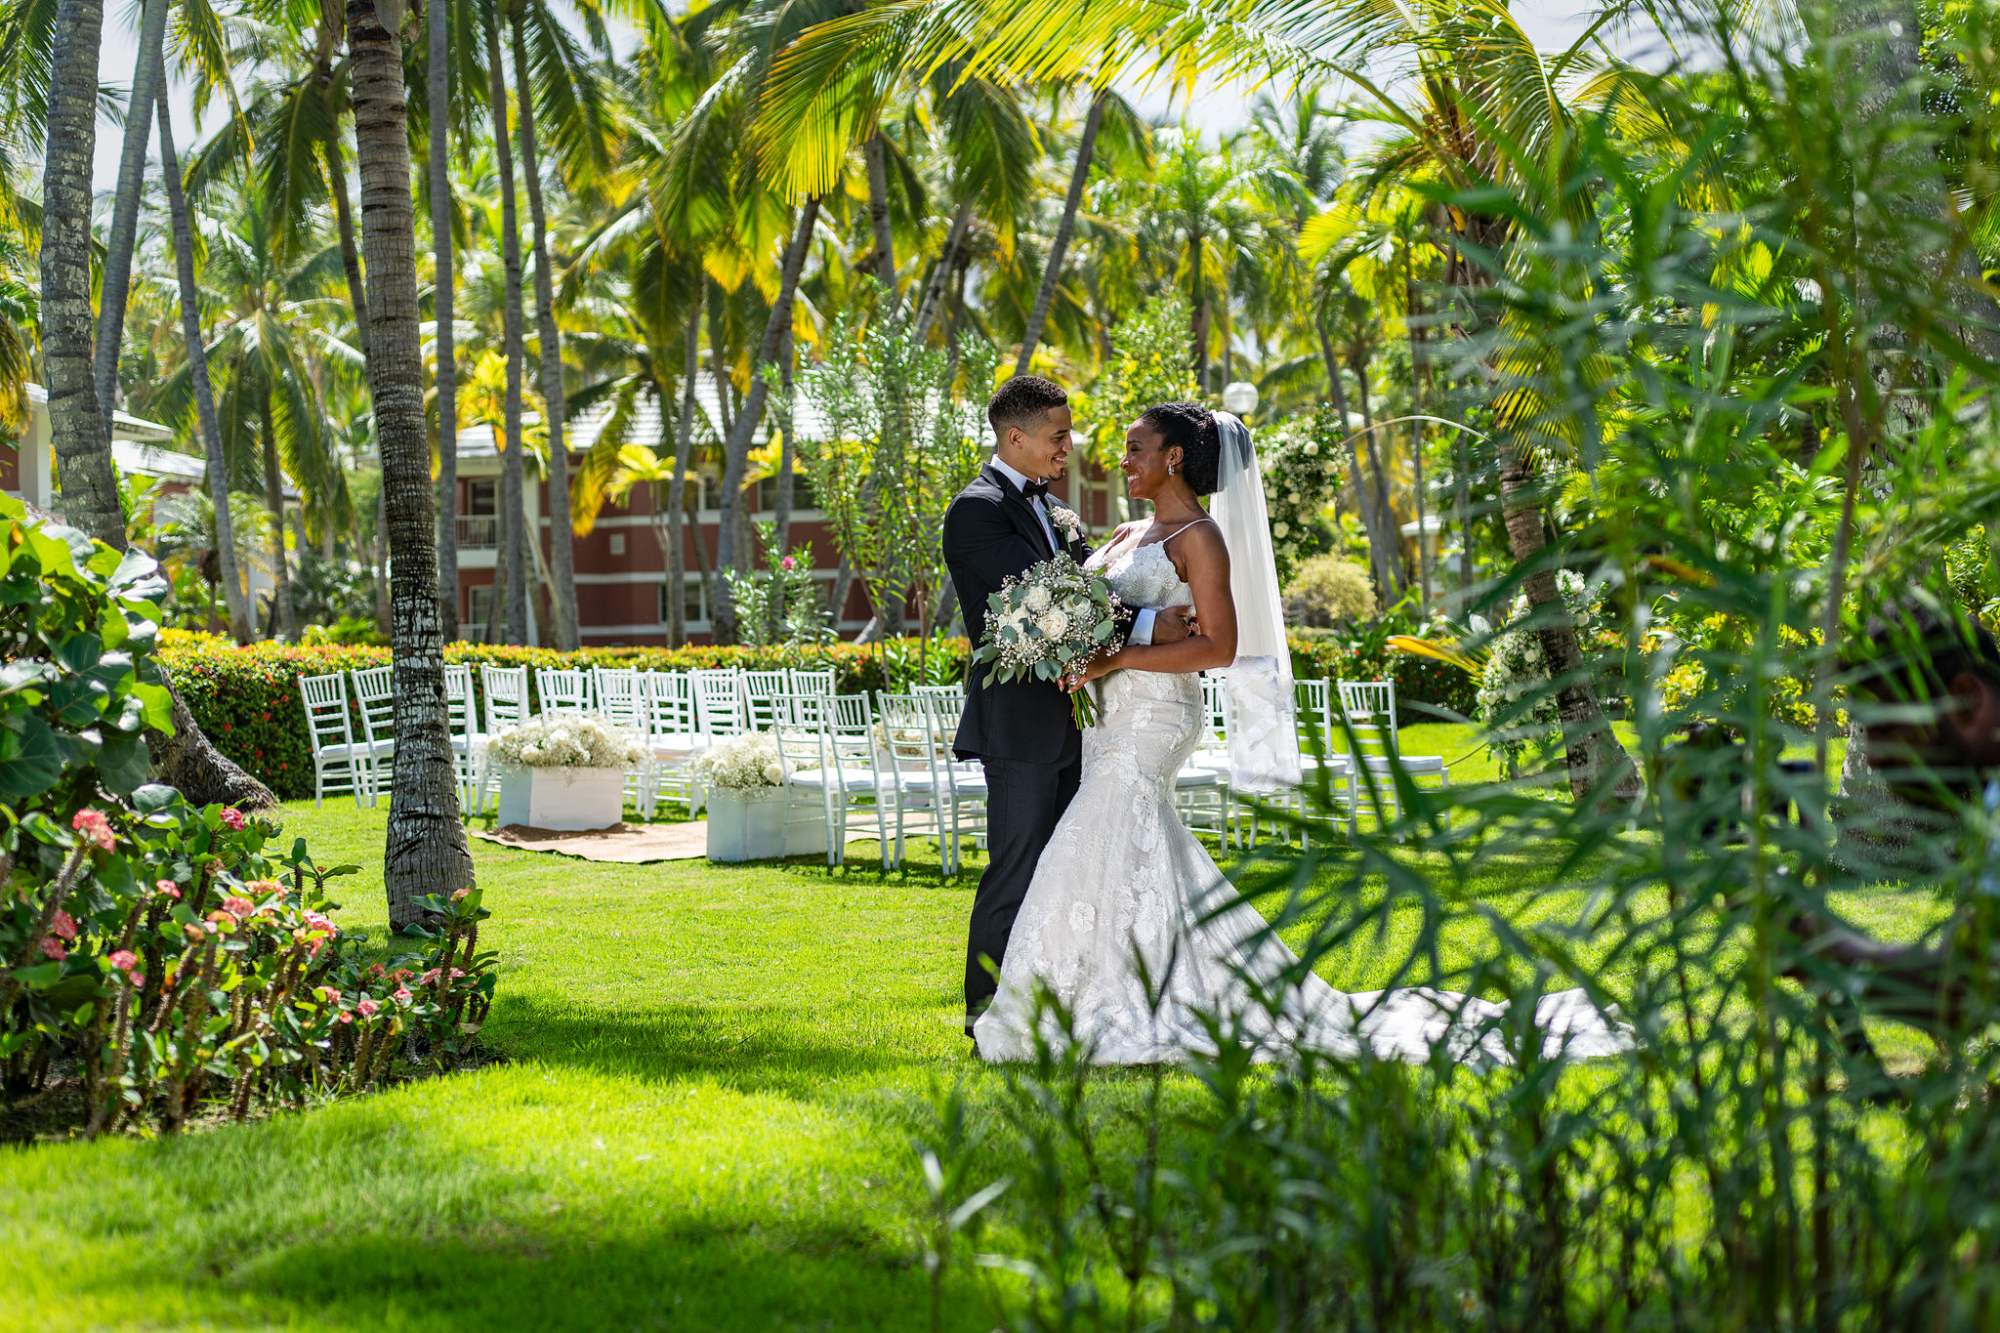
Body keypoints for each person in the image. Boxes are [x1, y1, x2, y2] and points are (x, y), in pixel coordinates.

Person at [970, 402, 1632, 1066]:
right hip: (1107, 718)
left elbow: (1221, 646)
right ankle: (1122, 984)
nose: (1122, 459)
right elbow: (1095, 613)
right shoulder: (1121, 533)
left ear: (1174, 456)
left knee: (1103, 830)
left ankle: (1092, 997)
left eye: (1136, 447)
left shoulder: (1199, 538)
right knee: (1126, 846)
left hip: (1153, 718)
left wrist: (1117, 656)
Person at [942, 376, 1192, 1040]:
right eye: (1058, 436)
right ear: (1015, 438)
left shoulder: (1056, 510)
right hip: (1019, 725)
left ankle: (1055, 999)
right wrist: (1145, 626)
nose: (1069, 447)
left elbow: (1082, 588)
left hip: (1083, 724)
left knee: (1065, 873)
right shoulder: (976, 510)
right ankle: (985, 1008)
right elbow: (1034, 607)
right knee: (1018, 863)